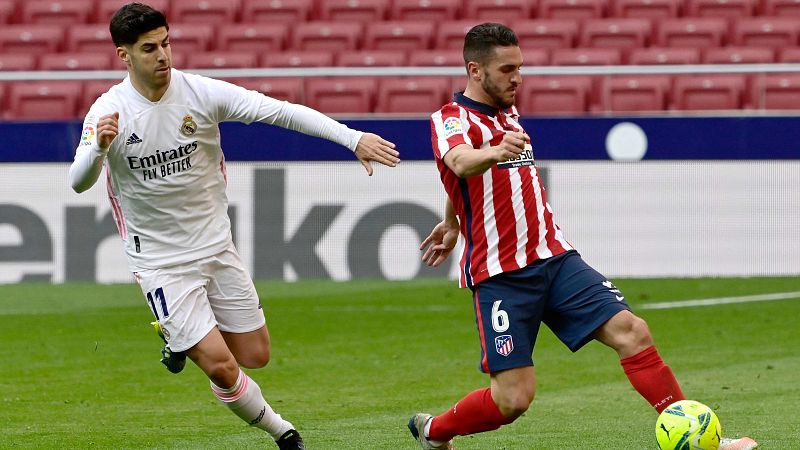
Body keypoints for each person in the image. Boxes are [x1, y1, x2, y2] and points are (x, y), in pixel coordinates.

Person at [408, 22, 757, 450]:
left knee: (632, 331)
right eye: (507, 70)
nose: (518, 78)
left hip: (555, 257)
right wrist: (494, 154)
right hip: (502, 275)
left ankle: (701, 439)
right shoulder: (449, 119)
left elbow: (466, 183)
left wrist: (453, 221)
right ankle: (434, 431)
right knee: (513, 399)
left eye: (520, 67)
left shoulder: (507, 113)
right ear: (475, 71)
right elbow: (460, 163)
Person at [68, 3, 399, 449]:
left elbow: (280, 112)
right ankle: (283, 432)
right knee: (224, 368)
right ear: (123, 56)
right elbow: (78, 181)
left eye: (166, 43)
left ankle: (179, 337)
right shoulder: (108, 112)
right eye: (149, 49)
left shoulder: (201, 93)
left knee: (255, 355)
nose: (163, 55)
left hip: (216, 246)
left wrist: (352, 138)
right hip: (161, 262)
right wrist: (98, 149)